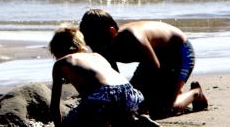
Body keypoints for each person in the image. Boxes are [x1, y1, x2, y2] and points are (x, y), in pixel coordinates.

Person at [78, 10, 208, 118]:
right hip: (152, 58)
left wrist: (146, 98)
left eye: (98, 44)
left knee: (160, 111)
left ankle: (196, 94)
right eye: (90, 45)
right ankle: (172, 92)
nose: (96, 49)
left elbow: (154, 67)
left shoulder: (132, 37)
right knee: (132, 104)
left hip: (178, 52)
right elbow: (113, 78)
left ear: (112, 32)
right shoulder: (101, 43)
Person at [48, 24, 164, 127]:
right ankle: (138, 122)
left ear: (55, 48)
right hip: (128, 92)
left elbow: (55, 104)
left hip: (104, 93)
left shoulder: (61, 63)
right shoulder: (97, 56)